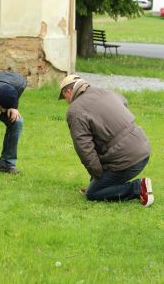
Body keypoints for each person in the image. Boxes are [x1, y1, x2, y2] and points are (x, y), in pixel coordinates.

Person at [58, 74, 154, 206]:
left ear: (68, 91)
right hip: (143, 147)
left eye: (64, 97)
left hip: (129, 160)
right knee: (101, 149)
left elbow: (85, 149)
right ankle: (100, 185)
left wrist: (98, 177)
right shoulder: (105, 91)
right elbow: (124, 103)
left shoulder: (74, 111)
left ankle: (138, 187)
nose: (66, 101)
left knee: (93, 193)